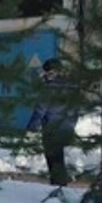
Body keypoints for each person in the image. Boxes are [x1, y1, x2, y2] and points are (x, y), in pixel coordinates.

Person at [27, 57, 77, 188]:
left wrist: (31, 129)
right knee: (59, 158)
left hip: (51, 128)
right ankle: (62, 184)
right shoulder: (73, 87)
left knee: (53, 159)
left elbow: (40, 111)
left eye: (46, 73)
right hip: (68, 127)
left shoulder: (48, 89)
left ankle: (58, 187)